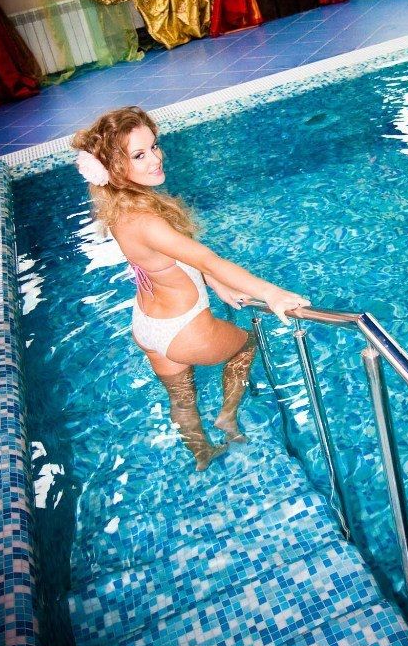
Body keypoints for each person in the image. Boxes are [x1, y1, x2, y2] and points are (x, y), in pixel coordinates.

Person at [71, 106, 310, 470]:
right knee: (246, 345)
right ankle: (227, 416)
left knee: (182, 397)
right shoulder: (148, 221)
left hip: (147, 325)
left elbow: (175, 258)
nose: (155, 159)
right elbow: (209, 260)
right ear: (115, 167)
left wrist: (217, 285)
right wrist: (271, 294)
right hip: (184, 328)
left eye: (154, 146)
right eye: (139, 155)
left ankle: (201, 453)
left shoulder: (120, 208)